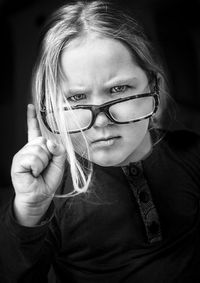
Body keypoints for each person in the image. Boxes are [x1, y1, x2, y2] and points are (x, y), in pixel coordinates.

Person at [1, 1, 200, 282]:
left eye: (119, 89)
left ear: (153, 86)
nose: (102, 120)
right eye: (76, 98)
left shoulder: (191, 154)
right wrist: (30, 210)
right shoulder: (52, 195)